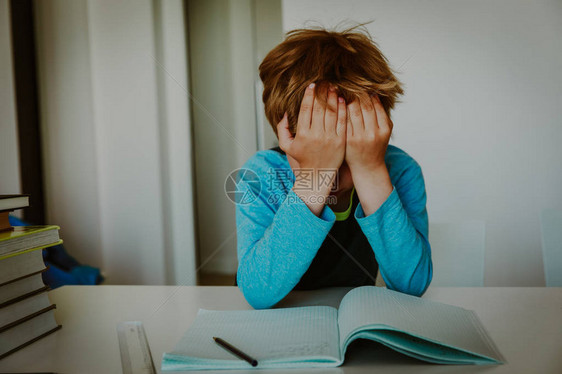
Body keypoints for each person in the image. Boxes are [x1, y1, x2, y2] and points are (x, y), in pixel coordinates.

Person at [235, 24, 432, 309]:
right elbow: (257, 292)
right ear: (286, 136)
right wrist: (312, 180)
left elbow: (411, 286)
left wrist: (372, 171)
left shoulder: (400, 171)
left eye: (349, 146)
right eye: (320, 148)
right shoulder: (261, 174)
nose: (333, 166)